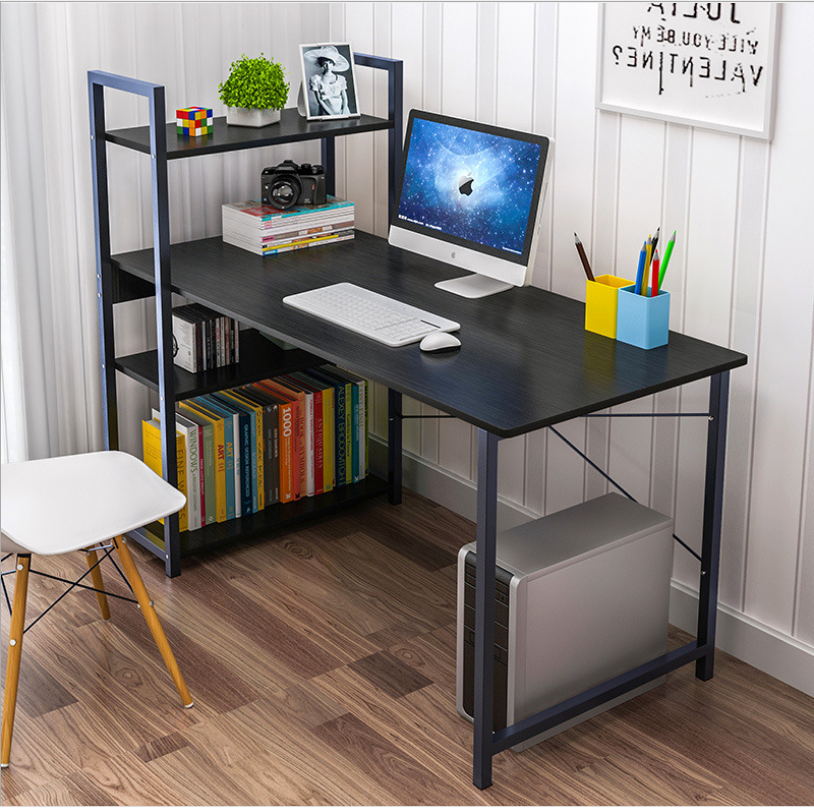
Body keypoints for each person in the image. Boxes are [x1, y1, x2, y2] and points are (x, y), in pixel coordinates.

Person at [304, 45, 351, 117]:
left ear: (333, 64)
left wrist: (344, 110)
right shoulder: (316, 79)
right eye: (325, 63)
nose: (328, 66)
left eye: (330, 62)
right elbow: (319, 100)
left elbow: (344, 97)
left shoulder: (341, 79)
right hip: (326, 113)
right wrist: (331, 114)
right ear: (321, 64)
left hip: (343, 112)